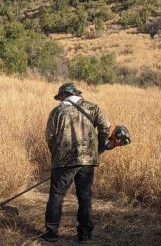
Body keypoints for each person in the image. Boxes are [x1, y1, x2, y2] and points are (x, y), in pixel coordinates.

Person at [42, 82, 111, 243]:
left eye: (60, 97)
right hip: (87, 160)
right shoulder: (92, 108)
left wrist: (56, 154)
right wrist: (98, 146)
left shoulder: (57, 112)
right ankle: (85, 235)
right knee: (85, 196)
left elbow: (49, 137)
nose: (60, 100)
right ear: (76, 94)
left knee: (57, 195)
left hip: (63, 162)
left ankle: (51, 233)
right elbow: (105, 128)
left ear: (64, 95)